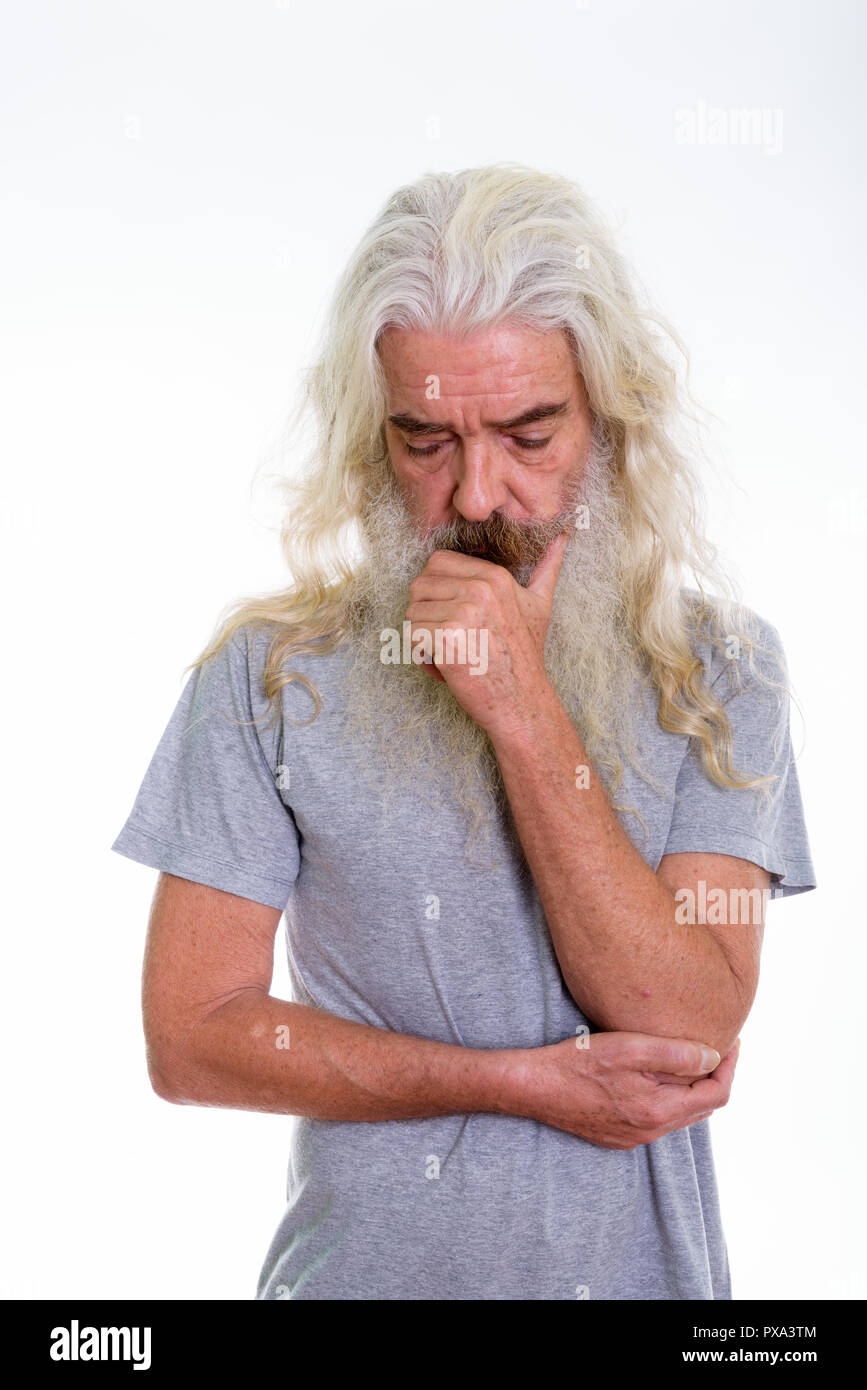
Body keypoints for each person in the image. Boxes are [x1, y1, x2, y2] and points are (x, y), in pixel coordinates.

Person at [111, 164, 816, 1300]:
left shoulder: (725, 672)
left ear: (612, 420)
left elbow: (688, 1019)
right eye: (426, 441)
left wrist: (521, 705)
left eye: (529, 434)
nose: (478, 494)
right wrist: (520, 1082)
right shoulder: (267, 676)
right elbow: (192, 1038)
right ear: (370, 434)